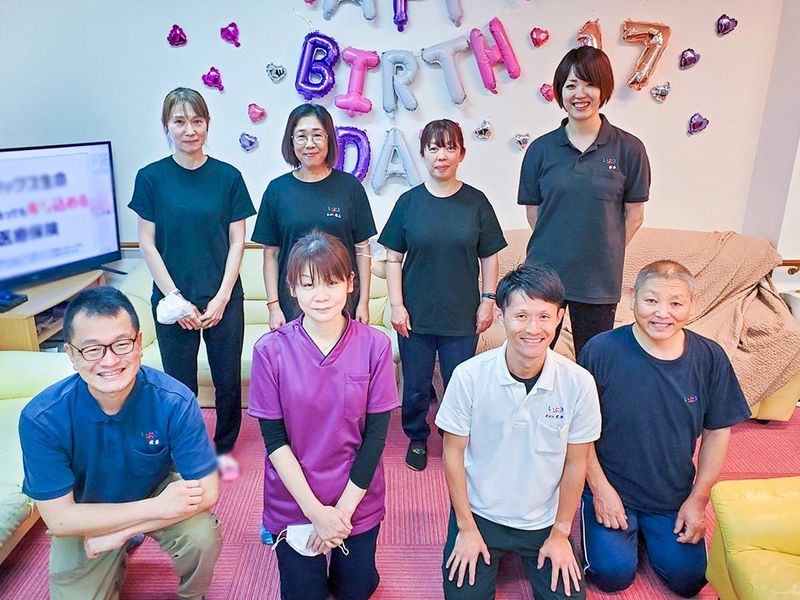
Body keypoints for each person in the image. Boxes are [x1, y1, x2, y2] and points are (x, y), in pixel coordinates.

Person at [19, 286, 221, 600]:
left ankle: (193, 596)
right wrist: (155, 508)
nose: (110, 360)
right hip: (87, 505)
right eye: (92, 349)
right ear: (71, 354)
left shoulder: (174, 400)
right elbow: (59, 519)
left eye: (121, 344)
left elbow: (209, 491)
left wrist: (122, 531)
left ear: (139, 343)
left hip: (153, 487)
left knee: (201, 534)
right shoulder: (42, 418)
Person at [578, 260, 751, 597]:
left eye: (675, 303)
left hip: (673, 496)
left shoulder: (710, 357)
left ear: (692, 306)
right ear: (633, 300)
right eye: (651, 300)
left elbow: (718, 431)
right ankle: (616, 531)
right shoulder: (600, 350)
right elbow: (577, 429)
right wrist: (599, 489)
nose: (662, 313)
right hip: (613, 489)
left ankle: (647, 532)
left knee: (691, 580)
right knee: (612, 575)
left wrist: (698, 499)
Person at [248, 231, 399, 600]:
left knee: (356, 591)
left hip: (355, 497)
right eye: (308, 284)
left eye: (332, 282)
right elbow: (274, 441)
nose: (321, 295)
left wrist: (340, 514)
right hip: (295, 499)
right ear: (292, 288)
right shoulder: (270, 351)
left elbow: (376, 438)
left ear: (350, 283)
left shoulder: (375, 345)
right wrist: (316, 513)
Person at [435, 264, 601, 600]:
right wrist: (465, 527)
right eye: (521, 316)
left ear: (559, 318)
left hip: (543, 521)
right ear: (501, 316)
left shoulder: (579, 382)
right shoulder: (469, 376)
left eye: (544, 316)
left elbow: (576, 463)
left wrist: (561, 533)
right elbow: (452, 453)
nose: (533, 329)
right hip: (480, 514)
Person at [129, 87, 256, 481]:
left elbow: (238, 241)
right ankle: (186, 445)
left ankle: (223, 447)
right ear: (166, 126)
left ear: (207, 124)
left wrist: (221, 297)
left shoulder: (228, 177)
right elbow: (146, 243)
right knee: (179, 383)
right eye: (180, 122)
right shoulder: (150, 178)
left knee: (227, 380)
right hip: (173, 300)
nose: (189, 130)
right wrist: (175, 299)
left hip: (222, 297)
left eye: (197, 121)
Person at [379, 119, 506, 471]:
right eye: (433, 148)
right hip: (416, 315)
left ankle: (456, 436)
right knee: (416, 384)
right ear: (423, 155)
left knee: (460, 383)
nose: (441, 155)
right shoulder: (408, 203)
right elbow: (393, 258)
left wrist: (488, 300)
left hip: (462, 314)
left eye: (450, 147)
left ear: (462, 154)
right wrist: (397, 305)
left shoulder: (476, 202)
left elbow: (489, 256)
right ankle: (417, 437)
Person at [517, 46, 650, 358]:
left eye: (589, 84)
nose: (579, 94)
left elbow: (635, 215)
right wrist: (559, 247)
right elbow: (534, 212)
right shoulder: (540, 150)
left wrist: (602, 250)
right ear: (560, 92)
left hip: (598, 281)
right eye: (571, 85)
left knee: (594, 362)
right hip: (544, 275)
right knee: (534, 359)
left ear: (603, 89)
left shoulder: (629, 149)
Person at [252, 103, 377, 329]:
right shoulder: (277, 190)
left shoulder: (350, 187)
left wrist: (363, 303)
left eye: (317, 135)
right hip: (293, 303)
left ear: (329, 139)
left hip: (343, 301)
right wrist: (274, 307)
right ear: (291, 141)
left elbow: (362, 249)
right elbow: (271, 254)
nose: (310, 144)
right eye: (301, 136)